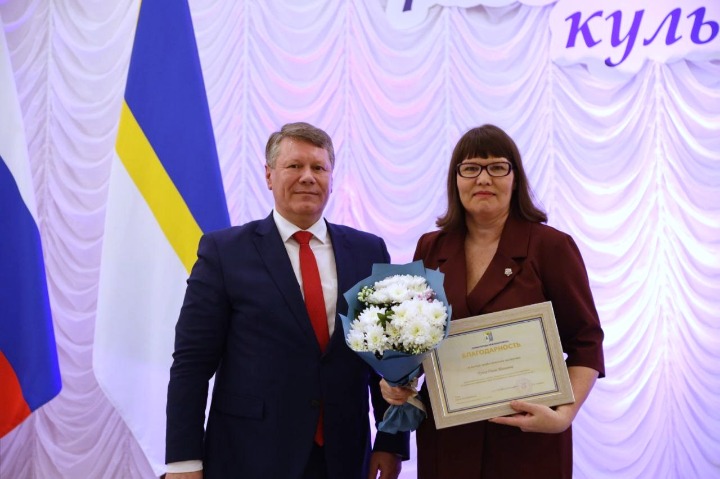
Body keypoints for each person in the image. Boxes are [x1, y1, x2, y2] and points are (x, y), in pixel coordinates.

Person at [165, 122, 408, 479]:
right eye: (294, 166)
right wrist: (184, 462)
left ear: (331, 177)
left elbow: (389, 358)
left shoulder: (368, 251)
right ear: (268, 175)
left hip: (343, 457)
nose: (308, 177)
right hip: (249, 456)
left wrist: (391, 442)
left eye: (318, 167)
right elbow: (192, 363)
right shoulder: (224, 252)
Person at [381, 124, 605, 478]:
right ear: (455, 180)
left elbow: (586, 342)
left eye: (497, 167)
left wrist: (564, 415)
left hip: (527, 438)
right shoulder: (431, 247)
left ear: (515, 178)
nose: (483, 178)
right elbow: (415, 342)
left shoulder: (551, 247)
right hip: (449, 441)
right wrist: (397, 381)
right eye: (470, 168)